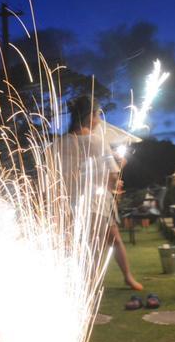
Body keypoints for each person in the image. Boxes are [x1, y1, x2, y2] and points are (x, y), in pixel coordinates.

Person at [52, 96, 143, 291]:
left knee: (101, 241)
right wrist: (119, 171)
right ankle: (88, 286)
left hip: (70, 204)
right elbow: (111, 178)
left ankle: (124, 277)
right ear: (90, 116)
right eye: (97, 115)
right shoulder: (98, 143)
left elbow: (54, 176)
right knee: (96, 246)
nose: (99, 121)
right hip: (97, 204)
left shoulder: (58, 144)